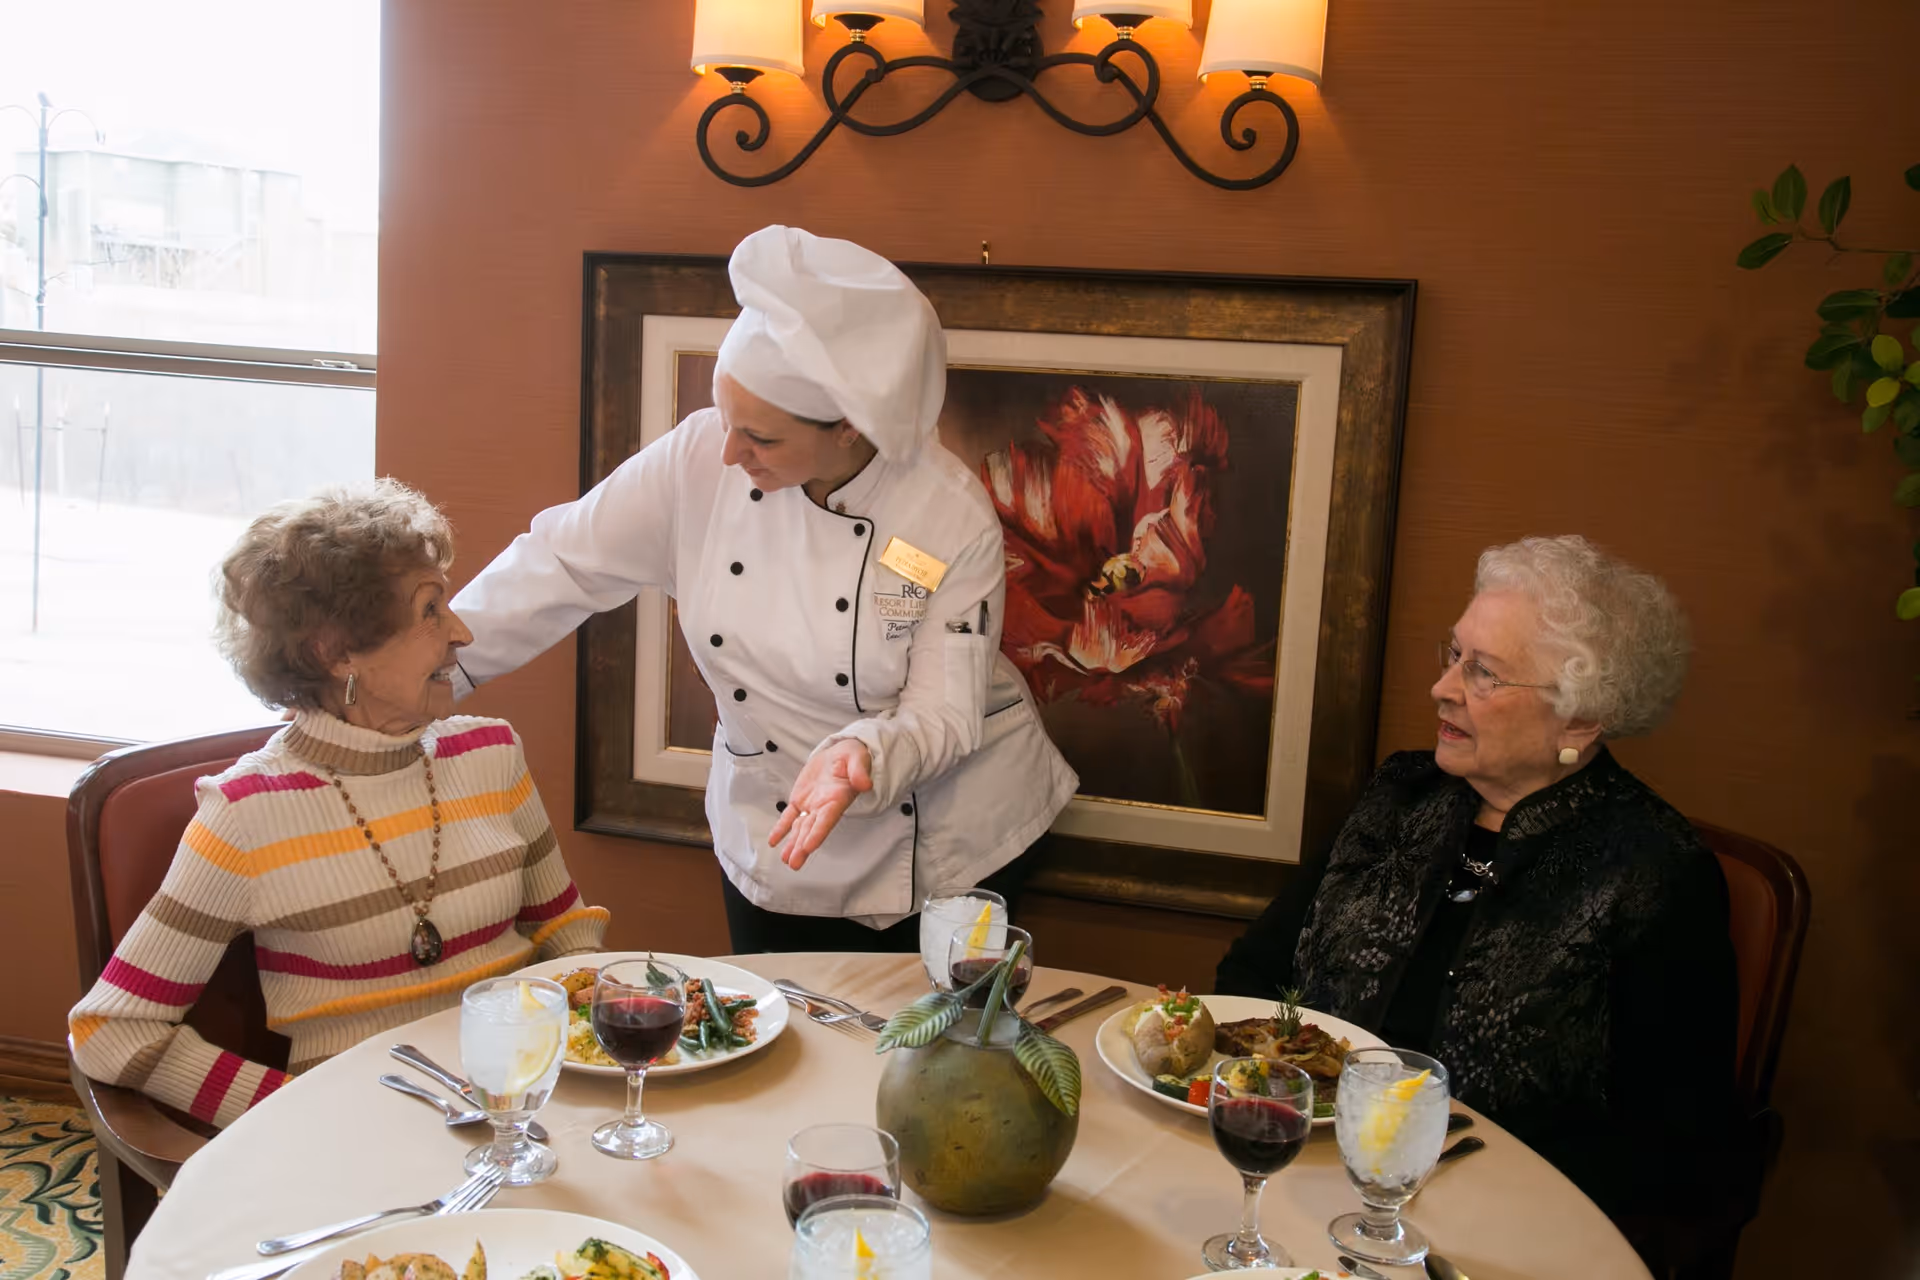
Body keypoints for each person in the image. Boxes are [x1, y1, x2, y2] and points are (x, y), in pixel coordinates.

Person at [450, 225, 1078, 952]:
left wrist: (863, 754)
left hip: (946, 844)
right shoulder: (698, 461)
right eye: (726, 419)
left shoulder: (946, 517)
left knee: (924, 1058)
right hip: (773, 823)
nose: (728, 452)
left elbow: (943, 713)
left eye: (761, 438)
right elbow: (561, 560)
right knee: (778, 1040)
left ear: (849, 426)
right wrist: (438, 670)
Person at [1216, 534, 1747, 1239]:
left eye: (1485, 672)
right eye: (1454, 655)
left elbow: (1675, 1143)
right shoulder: (1399, 796)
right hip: (1296, 1169)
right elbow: (1253, 974)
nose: (1443, 687)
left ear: (1582, 716)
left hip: (1507, 1227)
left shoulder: (1654, 870)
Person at [68, 482, 609, 1127]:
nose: (462, 631)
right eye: (431, 610)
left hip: (530, 1108)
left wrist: (609, 1043)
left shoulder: (492, 752)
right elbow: (113, 1028)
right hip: (361, 1146)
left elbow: (563, 932)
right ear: (335, 650)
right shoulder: (245, 815)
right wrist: (294, 1119)